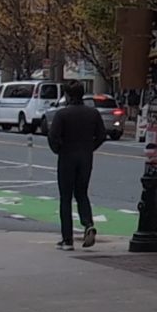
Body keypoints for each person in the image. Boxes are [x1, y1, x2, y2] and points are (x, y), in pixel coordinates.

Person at [46, 79, 106, 251]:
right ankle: (88, 224)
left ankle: (67, 239)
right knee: (82, 193)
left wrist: (58, 149)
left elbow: (52, 137)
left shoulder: (62, 114)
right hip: (86, 157)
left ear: (67, 95)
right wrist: (89, 147)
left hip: (67, 156)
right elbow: (101, 135)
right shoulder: (92, 113)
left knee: (65, 198)